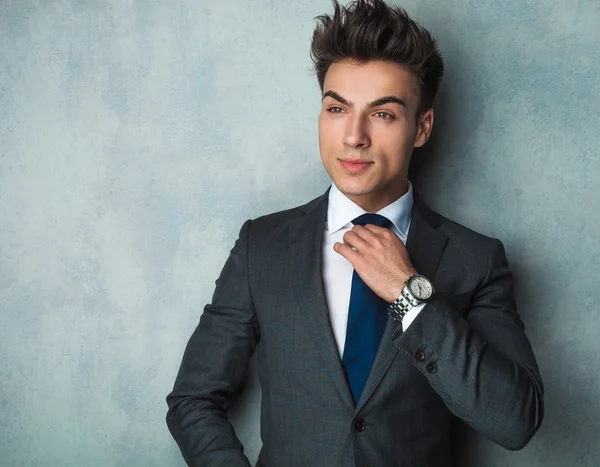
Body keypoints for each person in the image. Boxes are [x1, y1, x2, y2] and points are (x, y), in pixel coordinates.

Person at [165, 1, 544, 466]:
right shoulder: (260, 247)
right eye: (337, 108)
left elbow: (515, 421)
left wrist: (410, 296)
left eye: (382, 114)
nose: (353, 136)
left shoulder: (476, 259)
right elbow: (193, 400)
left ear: (421, 128)